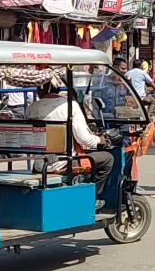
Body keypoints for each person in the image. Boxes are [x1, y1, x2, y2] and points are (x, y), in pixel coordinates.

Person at [24, 79, 113, 209]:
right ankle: (91, 199)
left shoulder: (32, 108)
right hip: (63, 162)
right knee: (108, 159)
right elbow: (84, 139)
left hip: (40, 164)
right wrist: (100, 140)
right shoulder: (69, 106)